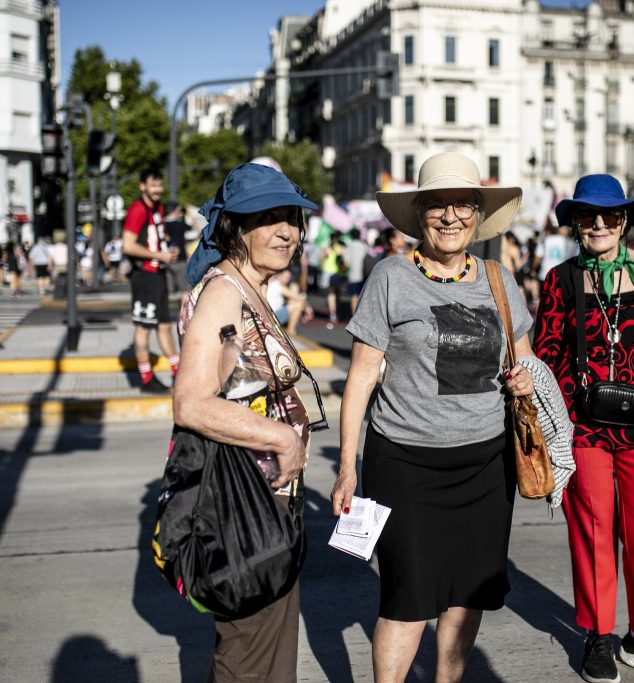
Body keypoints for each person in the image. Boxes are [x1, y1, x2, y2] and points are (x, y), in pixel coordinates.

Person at [330, 152, 534, 682]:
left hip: (486, 467)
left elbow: (525, 360)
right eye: (437, 205)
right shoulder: (391, 277)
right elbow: (360, 379)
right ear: (420, 213)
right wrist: (347, 466)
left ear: (477, 213)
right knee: (408, 599)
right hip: (405, 465)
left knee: (468, 596)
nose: (450, 217)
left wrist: (525, 377)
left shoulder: (497, 279)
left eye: (462, 205)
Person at [533, 174, 634, 683]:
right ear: (577, 223)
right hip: (584, 425)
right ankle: (599, 634)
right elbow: (548, 352)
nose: (600, 225)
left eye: (609, 216)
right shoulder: (560, 279)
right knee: (593, 527)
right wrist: (555, 421)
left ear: (625, 220)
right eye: (589, 216)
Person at [174, 161, 319, 681]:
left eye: (293, 218)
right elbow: (191, 402)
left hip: (265, 507)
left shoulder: (250, 288)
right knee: (248, 659)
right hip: (240, 509)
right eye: (269, 218)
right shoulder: (223, 294)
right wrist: (282, 436)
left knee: (270, 657)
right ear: (236, 227)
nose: (287, 231)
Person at [122, 168, 180, 394]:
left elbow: (157, 237)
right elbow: (128, 245)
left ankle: (177, 371)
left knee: (164, 325)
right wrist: (159, 255)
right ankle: (146, 378)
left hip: (157, 274)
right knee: (144, 327)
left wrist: (168, 249)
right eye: (153, 185)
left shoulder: (157, 209)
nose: (157, 190)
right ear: (142, 186)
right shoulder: (137, 210)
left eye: (159, 185)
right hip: (144, 276)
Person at [163, 200, 190, 293]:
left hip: (165, 258)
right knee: (185, 290)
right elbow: (196, 228)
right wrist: (188, 215)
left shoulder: (161, 224)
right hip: (180, 259)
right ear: (176, 210)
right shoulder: (180, 225)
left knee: (168, 291)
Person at [343, 227, 369, 313]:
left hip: (353, 274)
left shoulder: (349, 246)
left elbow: (346, 263)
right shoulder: (364, 246)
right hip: (365, 274)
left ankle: (354, 317)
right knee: (363, 296)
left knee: (354, 295)